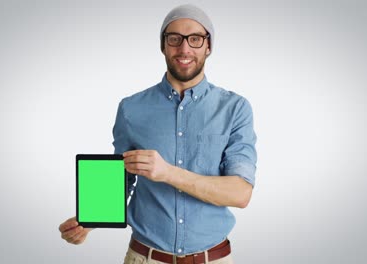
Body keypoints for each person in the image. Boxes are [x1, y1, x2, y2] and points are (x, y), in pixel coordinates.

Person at [59, 4, 257, 264]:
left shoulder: (235, 108)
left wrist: (167, 172)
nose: (184, 49)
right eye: (174, 39)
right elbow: (122, 179)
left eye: (195, 39)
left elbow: (240, 194)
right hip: (145, 258)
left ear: (208, 47)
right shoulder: (131, 108)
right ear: (163, 46)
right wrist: (91, 218)